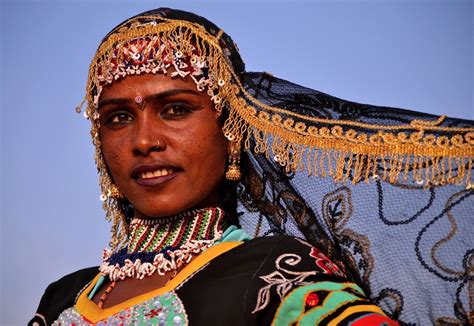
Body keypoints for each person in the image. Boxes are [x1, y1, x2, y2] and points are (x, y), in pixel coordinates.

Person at [29, 8, 473, 325]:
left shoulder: (278, 275)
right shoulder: (63, 296)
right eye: (118, 118)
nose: (144, 140)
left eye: (176, 109)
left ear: (230, 130)